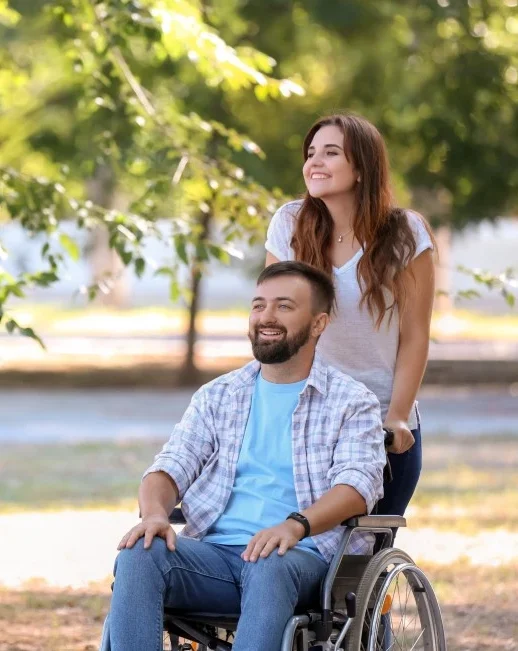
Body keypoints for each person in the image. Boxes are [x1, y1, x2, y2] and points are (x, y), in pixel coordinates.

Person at [102, 261, 386, 651]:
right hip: (214, 558)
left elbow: (356, 487)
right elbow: (168, 469)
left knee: (269, 562)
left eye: (284, 306)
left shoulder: (352, 401)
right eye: (258, 305)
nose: (266, 316)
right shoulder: (219, 395)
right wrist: (154, 514)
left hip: (299, 558)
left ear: (318, 324)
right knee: (140, 551)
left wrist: (295, 526)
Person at [265, 113, 435, 519]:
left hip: (377, 426)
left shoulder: (406, 233)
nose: (314, 162)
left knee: (359, 564)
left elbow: (414, 336)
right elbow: (273, 326)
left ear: (361, 167)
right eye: (310, 153)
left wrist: (396, 415)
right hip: (303, 423)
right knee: (290, 554)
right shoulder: (289, 224)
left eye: (331, 152)